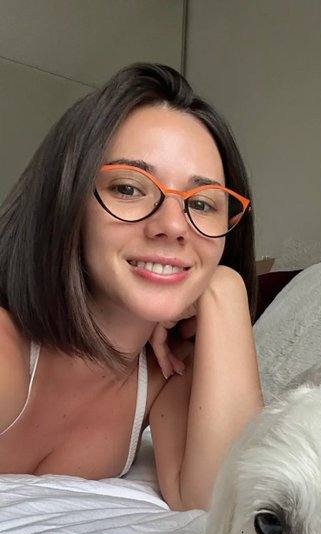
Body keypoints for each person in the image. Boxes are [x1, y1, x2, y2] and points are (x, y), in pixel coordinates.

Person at [0, 63, 263, 511]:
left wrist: (225, 287)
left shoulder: (166, 373)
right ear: (66, 200)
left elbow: (225, 503)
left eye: (202, 203)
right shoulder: (8, 348)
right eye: (128, 188)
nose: (173, 225)